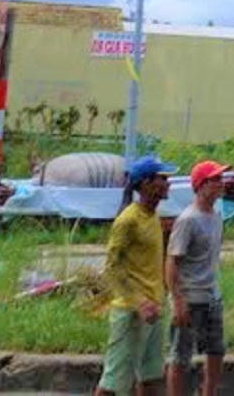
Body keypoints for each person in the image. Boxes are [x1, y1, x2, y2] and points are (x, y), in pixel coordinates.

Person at [96, 154, 178, 396]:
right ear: (146, 184)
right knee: (115, 382)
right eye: (163, 178)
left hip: (154, 309)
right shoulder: (127, 220)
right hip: (132, 312)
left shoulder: (153, 216)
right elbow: (112, 267)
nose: (168, 183)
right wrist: (138, 302)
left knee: (151, 377)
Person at [166, 159, 231, 396]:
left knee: (216, 351)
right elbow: (172, 261)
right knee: (180, 356)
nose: (220, 184)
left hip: (212, 295)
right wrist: (178, 300)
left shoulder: (217, 216)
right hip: (191, 296)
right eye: (215, 180)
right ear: (201, 185)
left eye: (220, 180)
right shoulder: (187, 220)